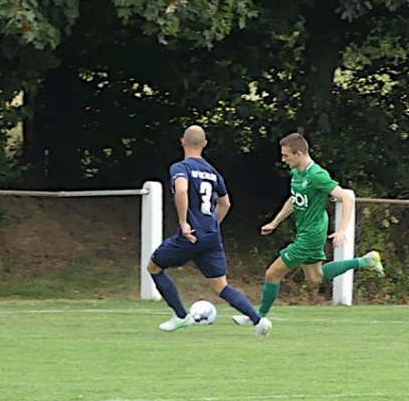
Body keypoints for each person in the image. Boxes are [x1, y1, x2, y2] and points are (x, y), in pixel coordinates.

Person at [232, 132, 384, 325]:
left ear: (300, 153)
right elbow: (294, 199)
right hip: (305, 232)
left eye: (286, 155)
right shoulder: (297, 173)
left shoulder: (317, 175)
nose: (283, 159)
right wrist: (275, 222)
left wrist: (342, 230)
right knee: (315, 278)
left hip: (311, 235)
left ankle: (257, 317)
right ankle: (365, 261)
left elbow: (346, 197)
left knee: (272, 273)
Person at [148, 125, 272, 336]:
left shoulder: (180, 167)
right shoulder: (213, 173)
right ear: (204, 144)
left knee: (154, 267)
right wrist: (213, 225)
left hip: (190, 235)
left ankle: (181, 316)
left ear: (182, 142)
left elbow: (181, 190)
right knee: (221, 286)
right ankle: (258, 320)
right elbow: (225, 203)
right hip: (211, 236)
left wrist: (184, 222)